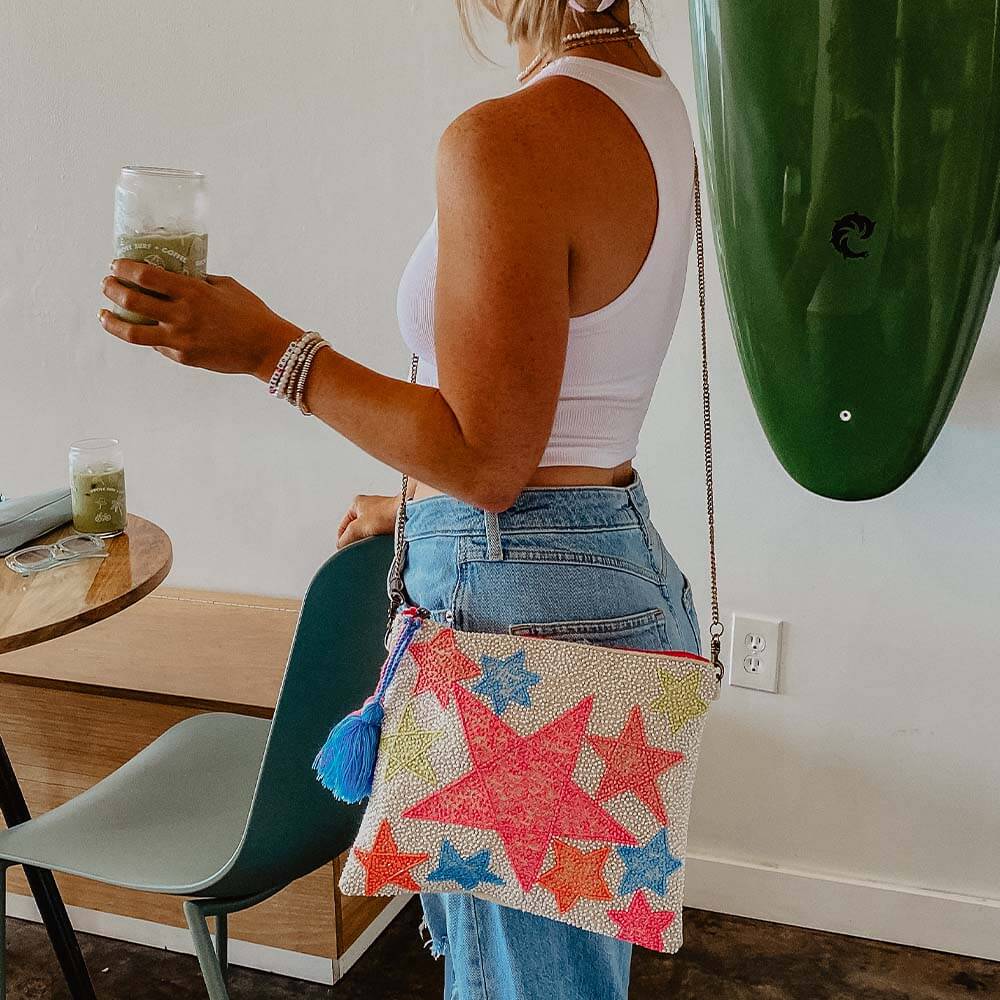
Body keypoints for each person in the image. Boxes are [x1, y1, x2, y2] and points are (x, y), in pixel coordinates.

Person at [99, 1, 703, 996]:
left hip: (523, 612)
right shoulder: (644, 98)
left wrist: (268, 351)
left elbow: (489, 462)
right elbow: (549, 421)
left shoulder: (508, 137)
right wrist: (418, 506)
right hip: (601, 570)